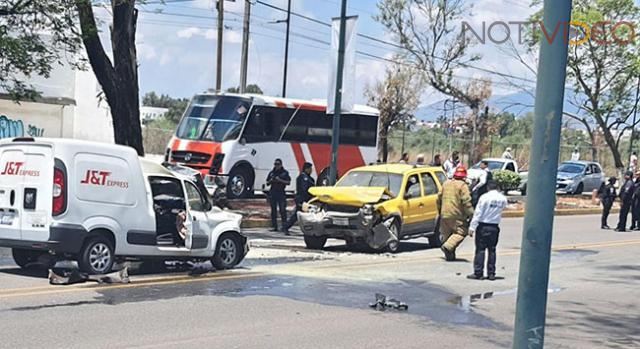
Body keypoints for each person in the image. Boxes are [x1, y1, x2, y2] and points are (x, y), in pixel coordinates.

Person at [467, 181, 508, 281]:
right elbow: (503, 208)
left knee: (480, 250)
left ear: (488, 188)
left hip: (483, 226)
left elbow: (478, 213)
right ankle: (491, 273)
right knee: (492, 250)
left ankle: (478, 273)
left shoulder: (484, 197)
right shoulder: (502, 198)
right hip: (494, 226)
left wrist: (472, 227)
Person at [437, 166, 474, 261]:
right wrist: (471, 214)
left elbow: (438, 199)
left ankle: (450, 255)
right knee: (461, 232)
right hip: (457, 215)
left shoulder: (446, 184)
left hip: (444, 214)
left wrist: (440, 211)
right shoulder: (462, 186)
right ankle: (447, 246)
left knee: (448, 235)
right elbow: (466, 202)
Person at [283, 162, 315, 235]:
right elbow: (305, 189)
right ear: (306, 169)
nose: (311, 170)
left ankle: (286, 227)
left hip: (306, 199)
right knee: (297, 215)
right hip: (302, 199)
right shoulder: (303, 177)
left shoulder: (308, 178)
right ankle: (286, 227)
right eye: (310, 169)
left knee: (301, 215)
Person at [266, 159, 291, 232]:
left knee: (282, 210)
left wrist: (279, 180)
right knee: (273, 211)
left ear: (281, 164)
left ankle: (284, 226)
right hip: (273, 193)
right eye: (275, 164)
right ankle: (274, 226)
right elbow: (267, 182)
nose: (276, 166)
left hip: (281, 193)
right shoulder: (271, 173)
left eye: (278, 164)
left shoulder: (285, 173)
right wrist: (271, 180)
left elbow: (288, 182)